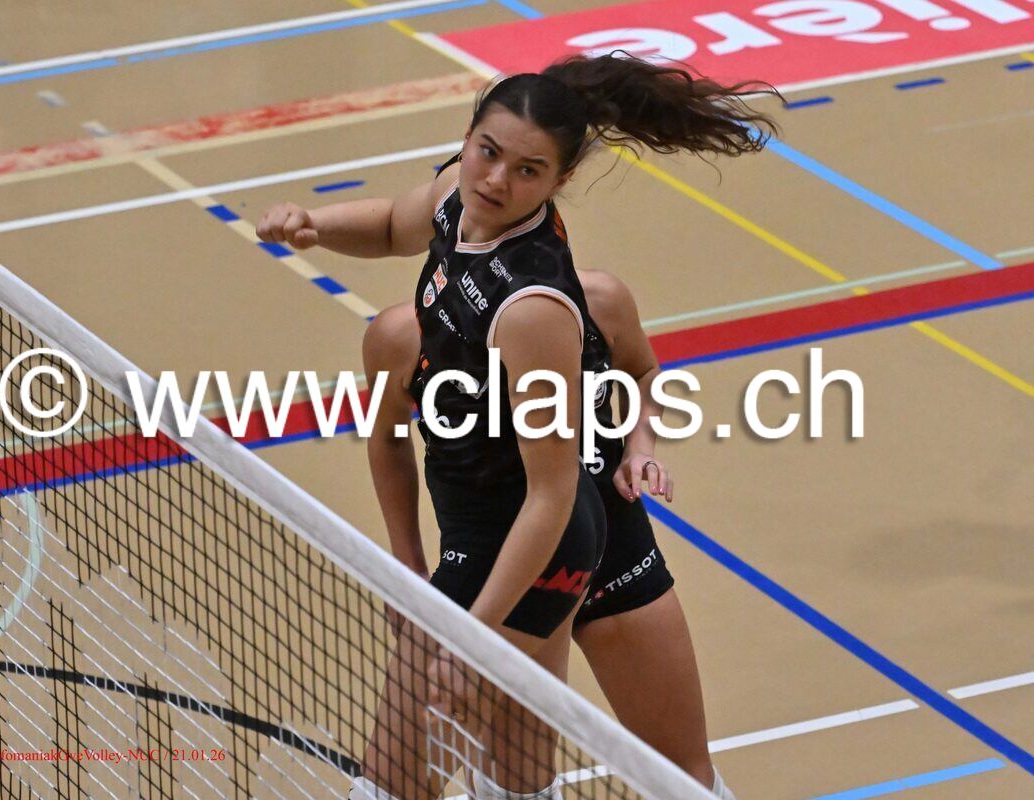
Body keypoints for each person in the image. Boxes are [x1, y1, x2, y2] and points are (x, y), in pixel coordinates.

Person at [257, 53, 775, 799]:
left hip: (547, 534)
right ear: (468, 137)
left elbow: (552, 493)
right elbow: (394, 223)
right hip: (502, 526)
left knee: (679, 779)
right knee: (505, 780)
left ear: (560, 181)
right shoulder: (457, 202)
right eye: (488, 152)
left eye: (528, 170)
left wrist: (473, 638)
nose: (497, 180)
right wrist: (315, 225)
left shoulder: (532, 309)